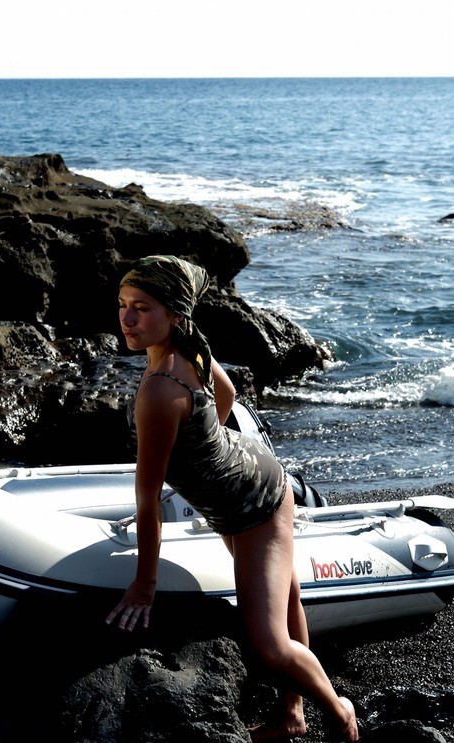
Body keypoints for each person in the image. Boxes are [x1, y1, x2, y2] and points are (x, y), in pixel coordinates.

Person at [106, 254, 359, 742]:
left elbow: (148, 498)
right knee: (286, 601)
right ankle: (291, 714)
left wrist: (144, 585)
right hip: (245, 481)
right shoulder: (188, 346)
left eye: (142, 307)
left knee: (268, 643)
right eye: (122, 304)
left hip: (255, 506)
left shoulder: (160, 389)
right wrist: (207, 454)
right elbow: (226, 394)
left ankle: (340, 711)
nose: (128, 318)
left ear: (174, 314)